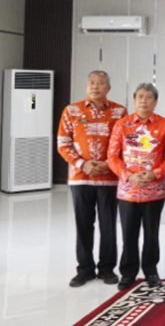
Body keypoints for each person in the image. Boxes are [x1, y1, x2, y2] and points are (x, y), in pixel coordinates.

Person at [57, 70, 127, 287]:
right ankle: (84, 269)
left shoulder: (119, 111)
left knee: (108, 225)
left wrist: (108, 163)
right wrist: (82, 164)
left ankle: (107, 268)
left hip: (109, 178)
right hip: (80, 178)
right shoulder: (71, 110)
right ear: (86, 86)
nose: (95, 86)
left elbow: (125, 143)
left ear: (109, 87)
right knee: (83, 224)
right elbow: (63, 143)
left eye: (100, 83)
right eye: (91, 83)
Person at [107, 83, 165, 290]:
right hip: (128, 191)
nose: (144, 101)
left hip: (154, 191)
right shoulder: (122, 125)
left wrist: (155, 173)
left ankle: (151, 271)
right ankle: (128, 273)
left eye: (149, 97)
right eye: (140, 97)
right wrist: (129, 176)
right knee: (129, 233)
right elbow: (112, 157)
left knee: (151, 234)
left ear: (155, 101)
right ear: (134, 100)